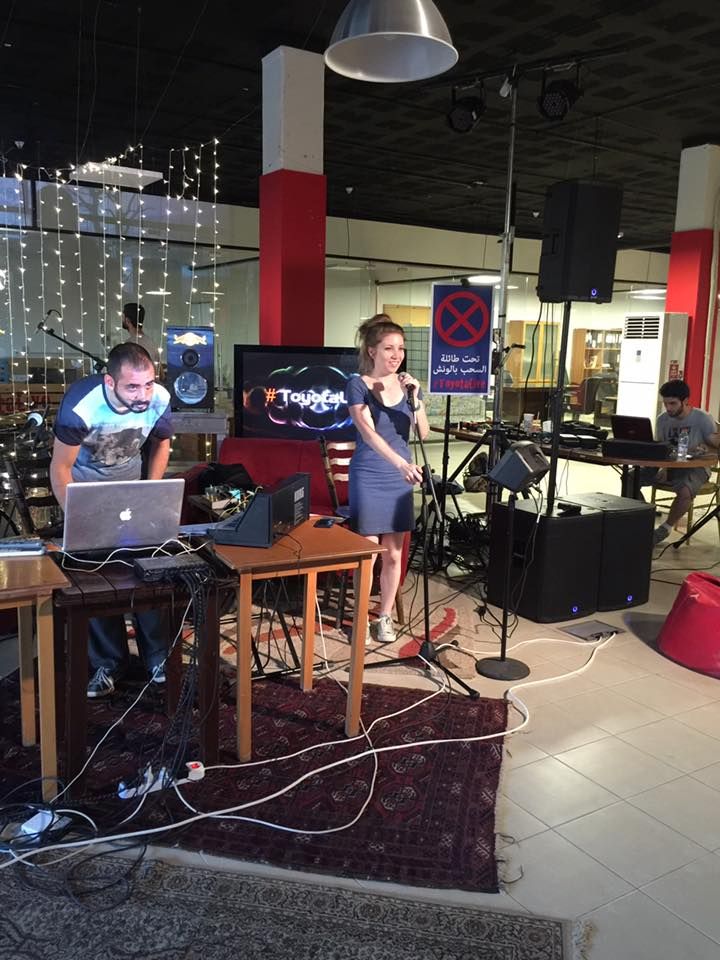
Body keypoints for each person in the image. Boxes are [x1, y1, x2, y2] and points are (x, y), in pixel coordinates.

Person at [50, 342, 174, 697]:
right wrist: (78, 518)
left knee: (151, 569)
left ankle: (158, 658)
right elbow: (60, 467)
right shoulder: (81, 405)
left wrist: (152, 493)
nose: (143, 395)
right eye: (132, 387)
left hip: (132, 490)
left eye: (148, 384)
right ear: (109, 382)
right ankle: (108, 663)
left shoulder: (160, 399)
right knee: (95, 578)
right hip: (86, 490)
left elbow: (162, 444)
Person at [345, 314, 429, 643]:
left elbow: (422, 432)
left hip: (400, 478)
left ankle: (384, 616)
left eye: (401, 349)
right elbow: (368, 434)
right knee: (367, 554)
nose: (396, 355)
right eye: (389, 348)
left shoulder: (407, 386)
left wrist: (416, 398)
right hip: (370, 473)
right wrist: (399, 464)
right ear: (372, 351)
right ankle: (360, 618)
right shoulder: (358, 384)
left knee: (394, 554)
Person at [640, 379, 719, 545]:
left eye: (673, 403)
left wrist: (707, 447)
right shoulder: (662, 419)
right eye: (665, 403)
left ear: (685, 401)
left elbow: (715, 446)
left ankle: (665, 529)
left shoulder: (702, 418)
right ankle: (642, 518)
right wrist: (664, 468)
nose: (668, 408)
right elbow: (660, 448)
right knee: (630, 478)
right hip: (667, 464)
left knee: (685, 491)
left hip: (695, 466)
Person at [122, 302, 161, 367]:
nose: (121, 319)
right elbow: (160, 372)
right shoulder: (151, 343)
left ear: (127, 320)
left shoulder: (128, 345)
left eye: (122, 317)